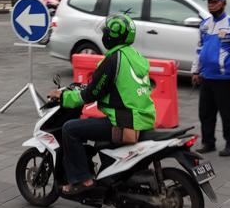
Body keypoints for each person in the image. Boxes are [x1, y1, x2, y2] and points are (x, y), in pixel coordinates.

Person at [47, 14, 156, 195]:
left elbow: (91, 94)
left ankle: (83, 179)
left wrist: (63, 97)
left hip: (124, 121)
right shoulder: (135, 56)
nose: (104, 35)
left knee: (70, 129)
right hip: (144, 117)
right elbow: (114, 85)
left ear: (113, 36)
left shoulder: (113, 60)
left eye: (107, 31)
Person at [191, 0, 230, 157]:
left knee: (228, 113)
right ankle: (208, 142)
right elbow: (199, 50)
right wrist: (195, 71)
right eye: (209, 2)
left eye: (215, 2)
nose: (211, 5)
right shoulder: (205, 25)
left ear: (223, 3)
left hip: (224, 78)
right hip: (207, 77)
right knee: (205, 113)